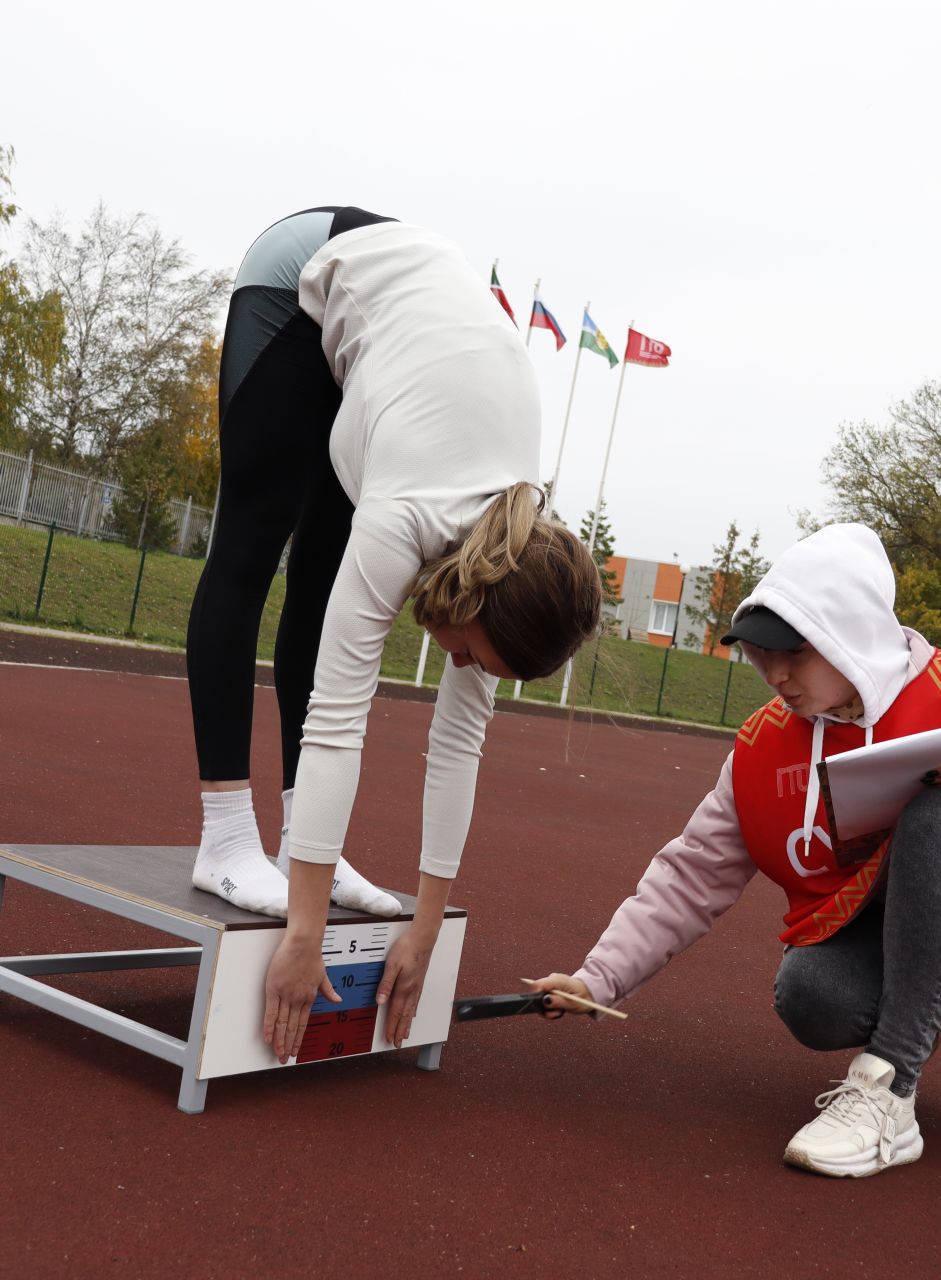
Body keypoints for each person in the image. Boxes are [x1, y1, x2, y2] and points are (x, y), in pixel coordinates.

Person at [532, 523, 941, 1177]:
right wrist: (596, 979)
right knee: (809, 994)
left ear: (852, 635)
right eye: (760, 654)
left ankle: (888, 1090)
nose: (775, 674)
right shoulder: (761, 748)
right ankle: (903, 1048)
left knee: (939, 816)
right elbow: (691, 872)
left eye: (795, 653)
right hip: (888, 934)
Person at [184, 207, 600, 1059]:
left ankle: (309, 846)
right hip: (310, 278)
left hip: (403, 364)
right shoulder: (410, 513)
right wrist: (304, 934)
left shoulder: (514, 551)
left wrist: (427, 918)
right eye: (471, 652)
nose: (457, 661)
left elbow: (458, 745)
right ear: (482, 592)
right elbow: (341, 714)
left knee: (323, 583)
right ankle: (224, 838)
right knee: (254, 541)